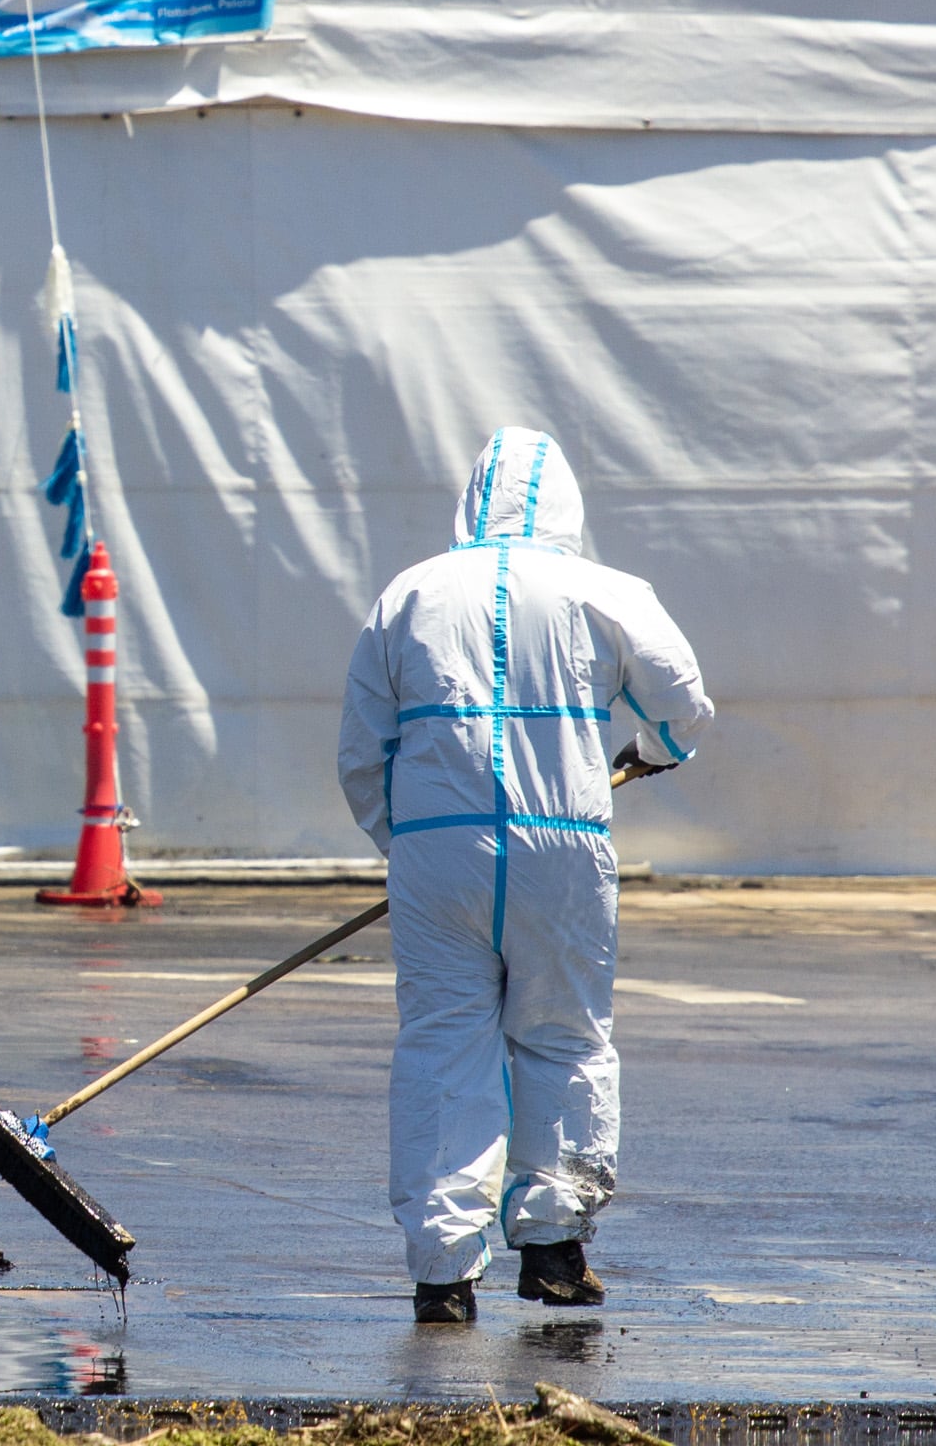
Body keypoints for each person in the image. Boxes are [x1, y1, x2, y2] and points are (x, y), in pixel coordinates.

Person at [338, 427, 712, 1325]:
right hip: (563, 845)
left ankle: (441, 1273)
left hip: (439, 853)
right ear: (567, 504)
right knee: (564, 1037)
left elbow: (362, 752)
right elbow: (685, 703)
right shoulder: (605, 590)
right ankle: (552, 1247)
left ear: (470, 499)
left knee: (442, 1043)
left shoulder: (409, 594)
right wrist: (654, 752)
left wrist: (412, 846)